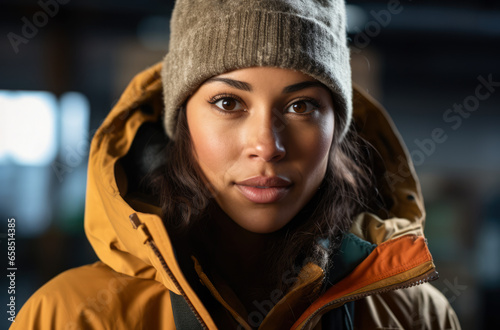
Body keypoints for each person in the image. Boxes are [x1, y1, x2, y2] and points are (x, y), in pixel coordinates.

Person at [12, 0, 461, 329]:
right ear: (181, 122)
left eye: (302, 105)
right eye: (228, 102)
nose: (266, 146)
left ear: (336, 128)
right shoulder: (73, 315)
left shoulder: (416, 316)